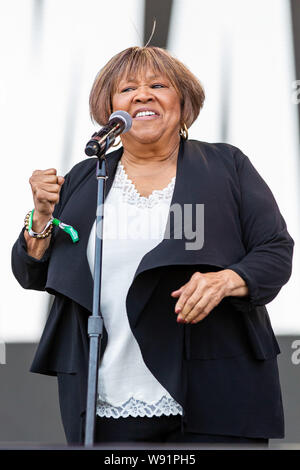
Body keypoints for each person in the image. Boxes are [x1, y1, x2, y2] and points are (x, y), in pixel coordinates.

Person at [12, 46, 294, 446]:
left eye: (158, 85)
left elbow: (275, 250)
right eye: (127, 89)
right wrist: (40, 217)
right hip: (106, 405)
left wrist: (227, 280)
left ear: (183, 101)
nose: (142, 95)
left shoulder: (227, 166)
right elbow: (31, 273)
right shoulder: (84, 179)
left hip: (216, 396)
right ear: (109, 109)